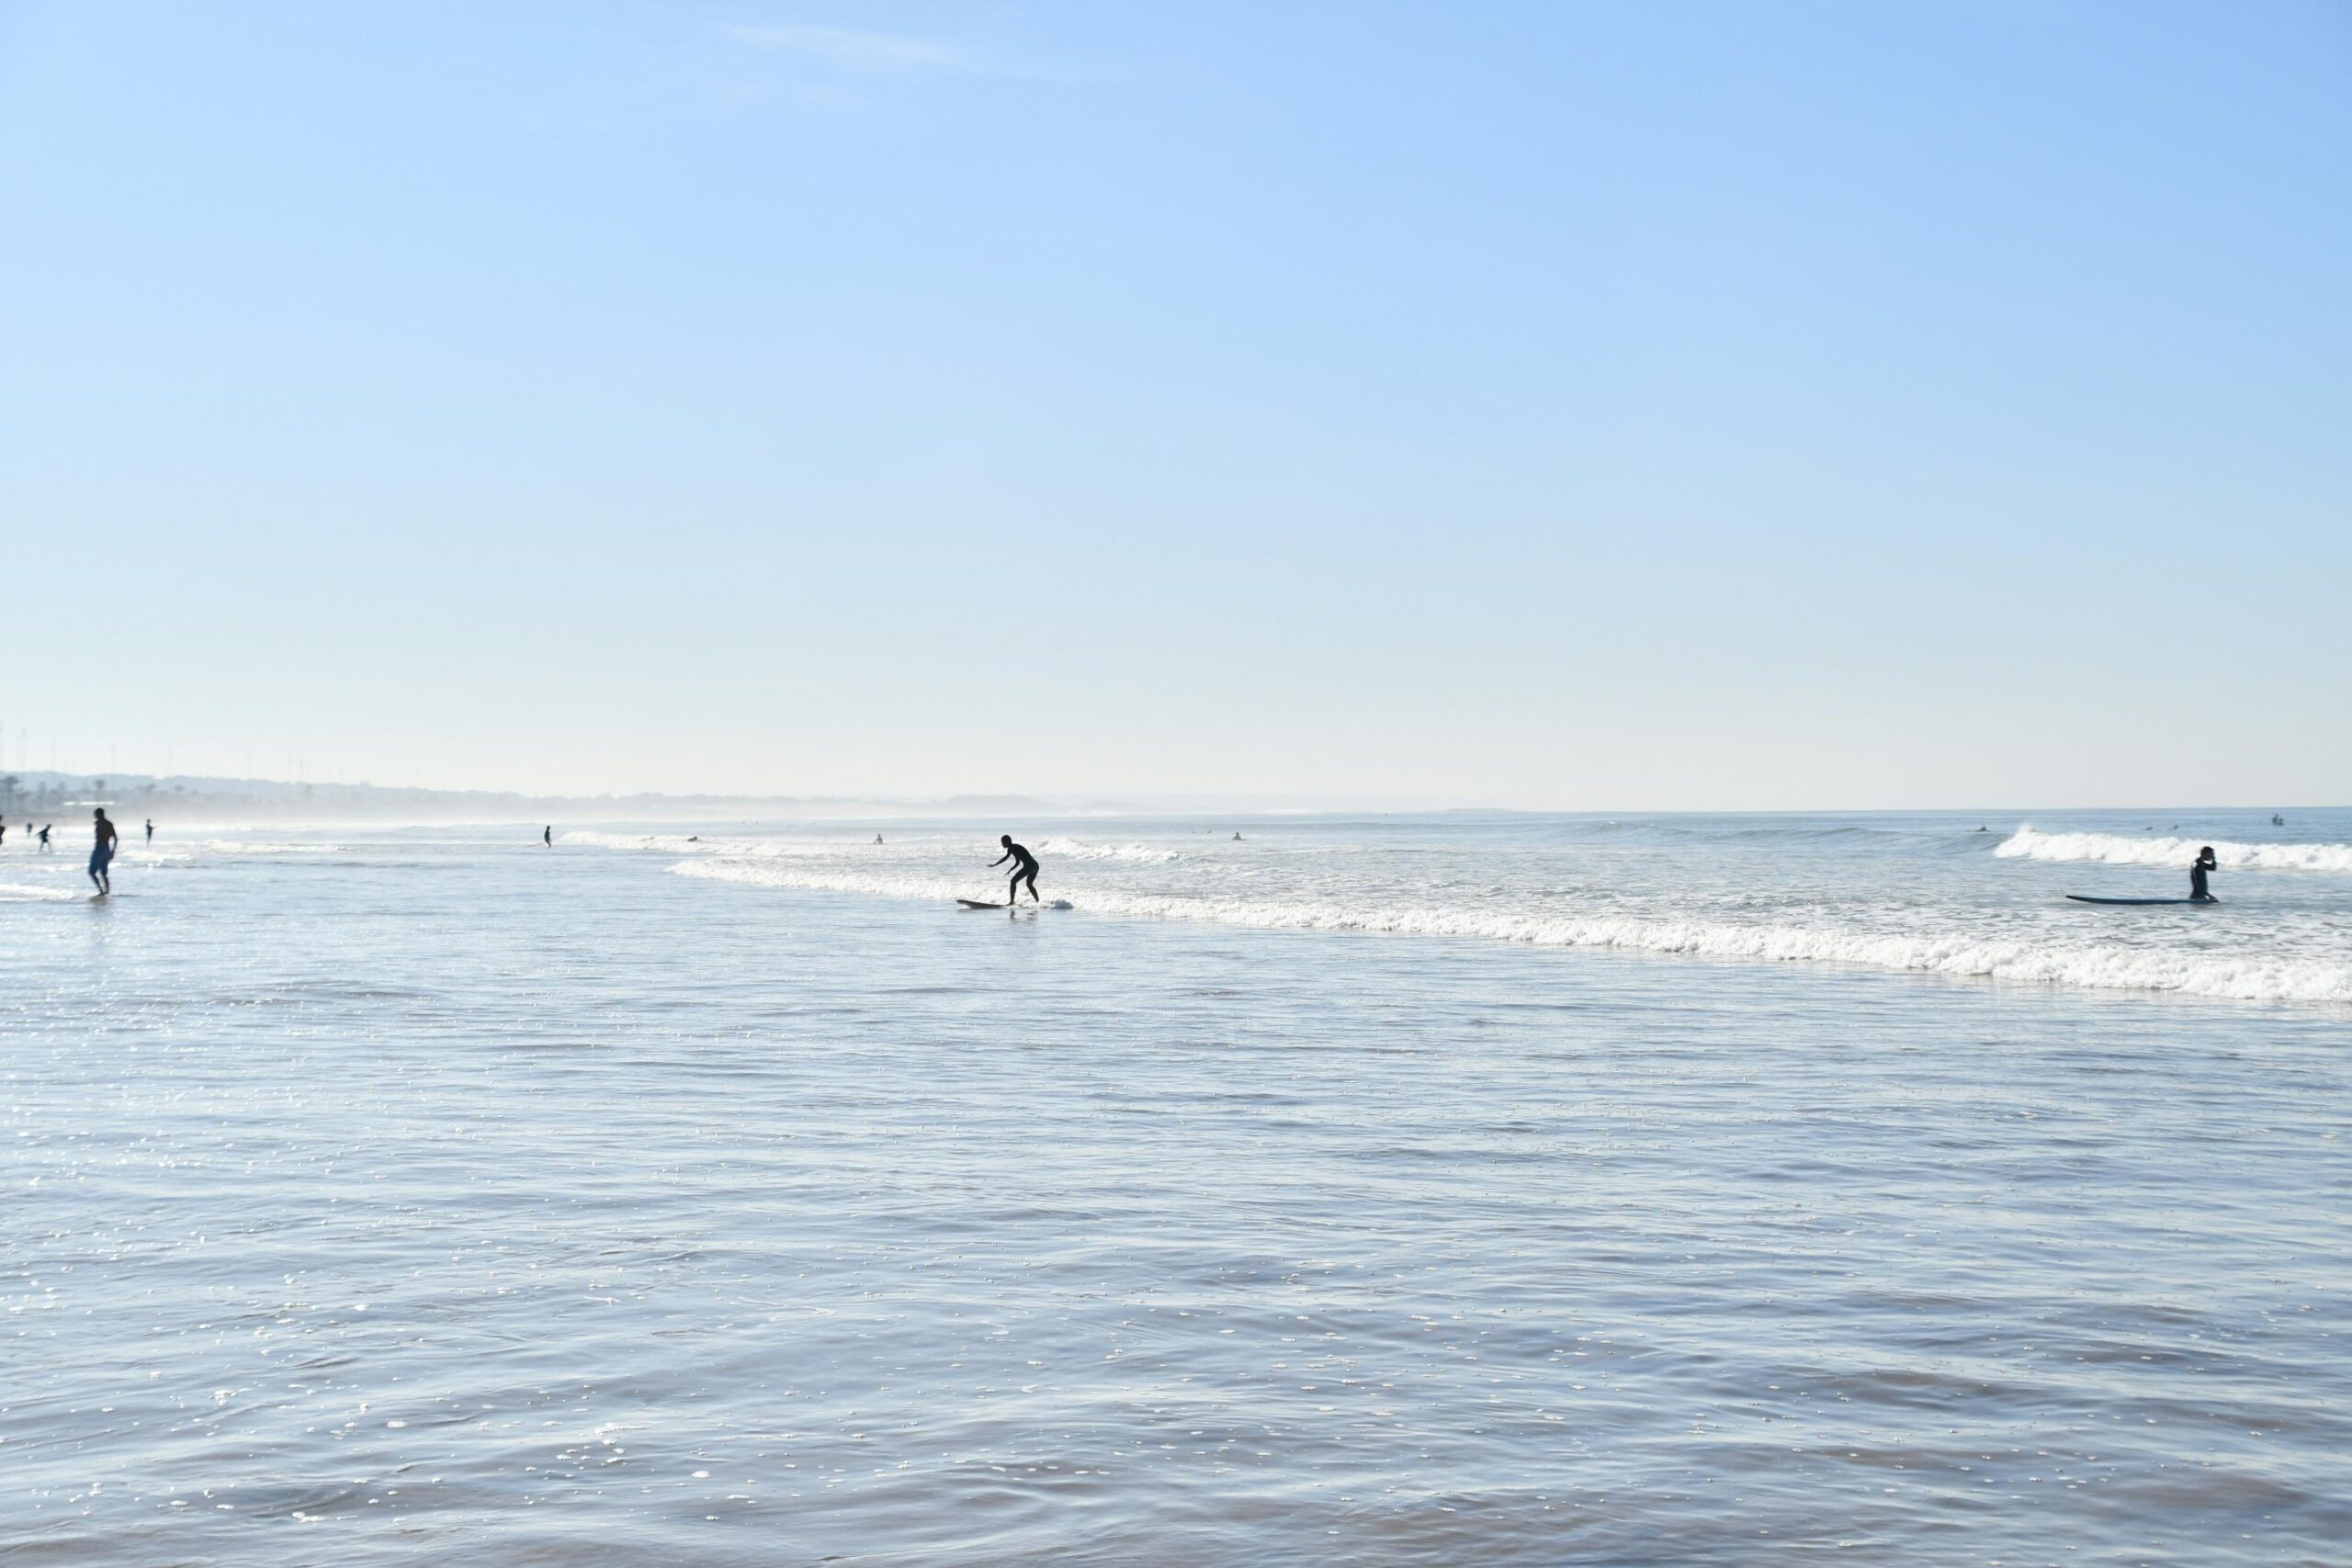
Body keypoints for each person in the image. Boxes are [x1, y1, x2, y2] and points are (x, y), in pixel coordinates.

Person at [990, 834, 1040, 904]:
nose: (1002, 844)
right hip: (1035, 866)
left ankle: (1012, 902)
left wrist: (995, 864)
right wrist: (1011, 869)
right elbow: (1017, 862)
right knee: (1029, 884)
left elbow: (1005, 858)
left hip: (1029, 866)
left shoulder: (1011, 848)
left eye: (1003, 842)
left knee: (1013, 881)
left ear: (1007, 841)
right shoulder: (1015, 847)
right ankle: (1038, 902)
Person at [88, 807, 119, 894]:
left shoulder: (100, 824)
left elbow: (115, 838)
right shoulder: (108, 823)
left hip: (99, 849)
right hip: (106, 849)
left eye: (95, 814)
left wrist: (112, 851)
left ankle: (101, 891)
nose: (94, 816)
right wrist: (112, 851)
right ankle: (107, 892)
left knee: (91, 872)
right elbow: (116, 838)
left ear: (99, 814)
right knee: (103, 873)